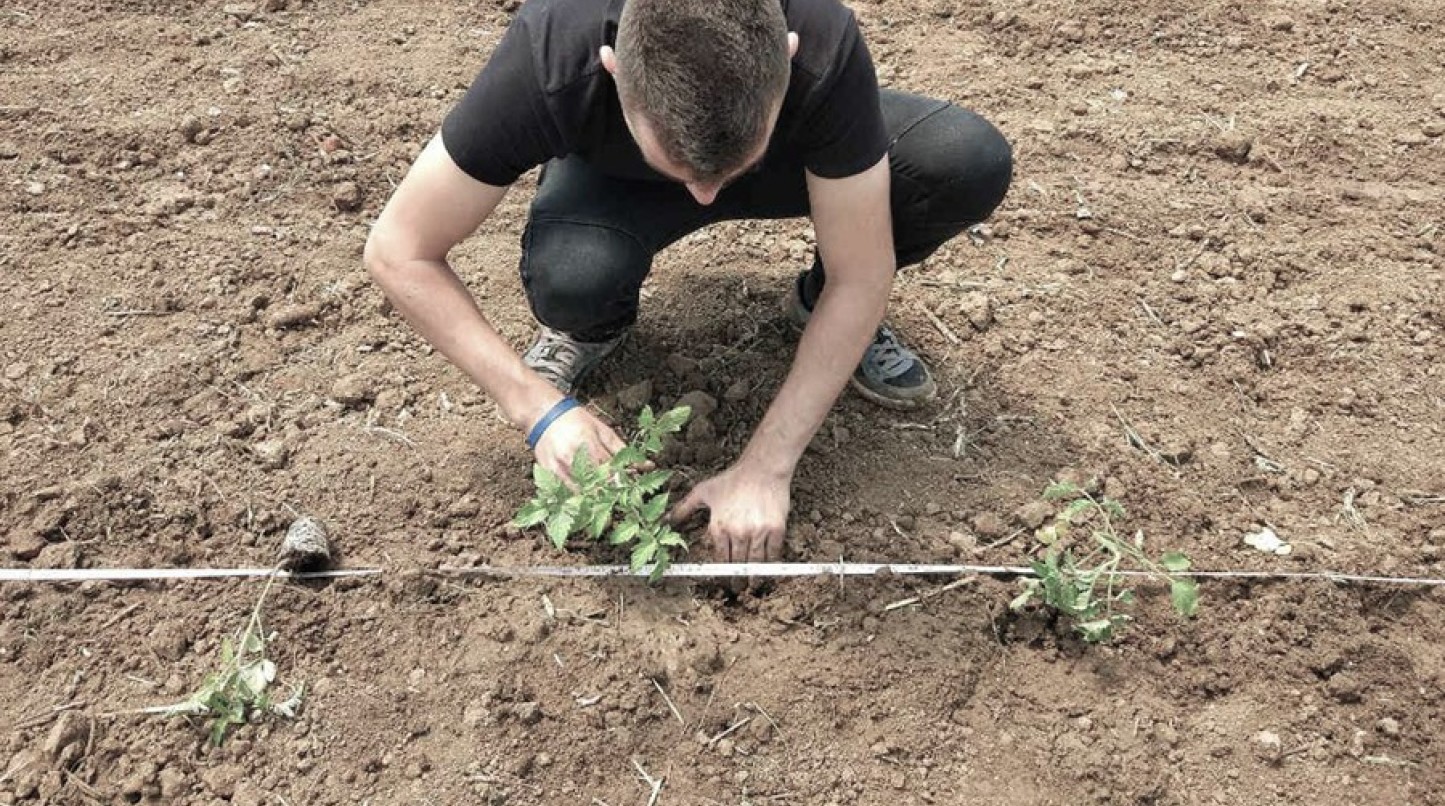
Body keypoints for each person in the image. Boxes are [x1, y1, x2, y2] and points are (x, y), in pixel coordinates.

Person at [365, 0, 1012, 564]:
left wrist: (767, 467)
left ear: (785, 60)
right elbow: (399, 250)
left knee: (962, 160)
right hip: (615, 181)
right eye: (679, 166)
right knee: (574, 281)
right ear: (613, 67)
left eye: (726, 170)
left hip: (785, 152)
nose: (704, 196)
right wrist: (537, 409)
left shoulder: (819, 38)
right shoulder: (555, 50)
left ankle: (815, 310)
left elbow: (862, 272)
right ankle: (594, 325)